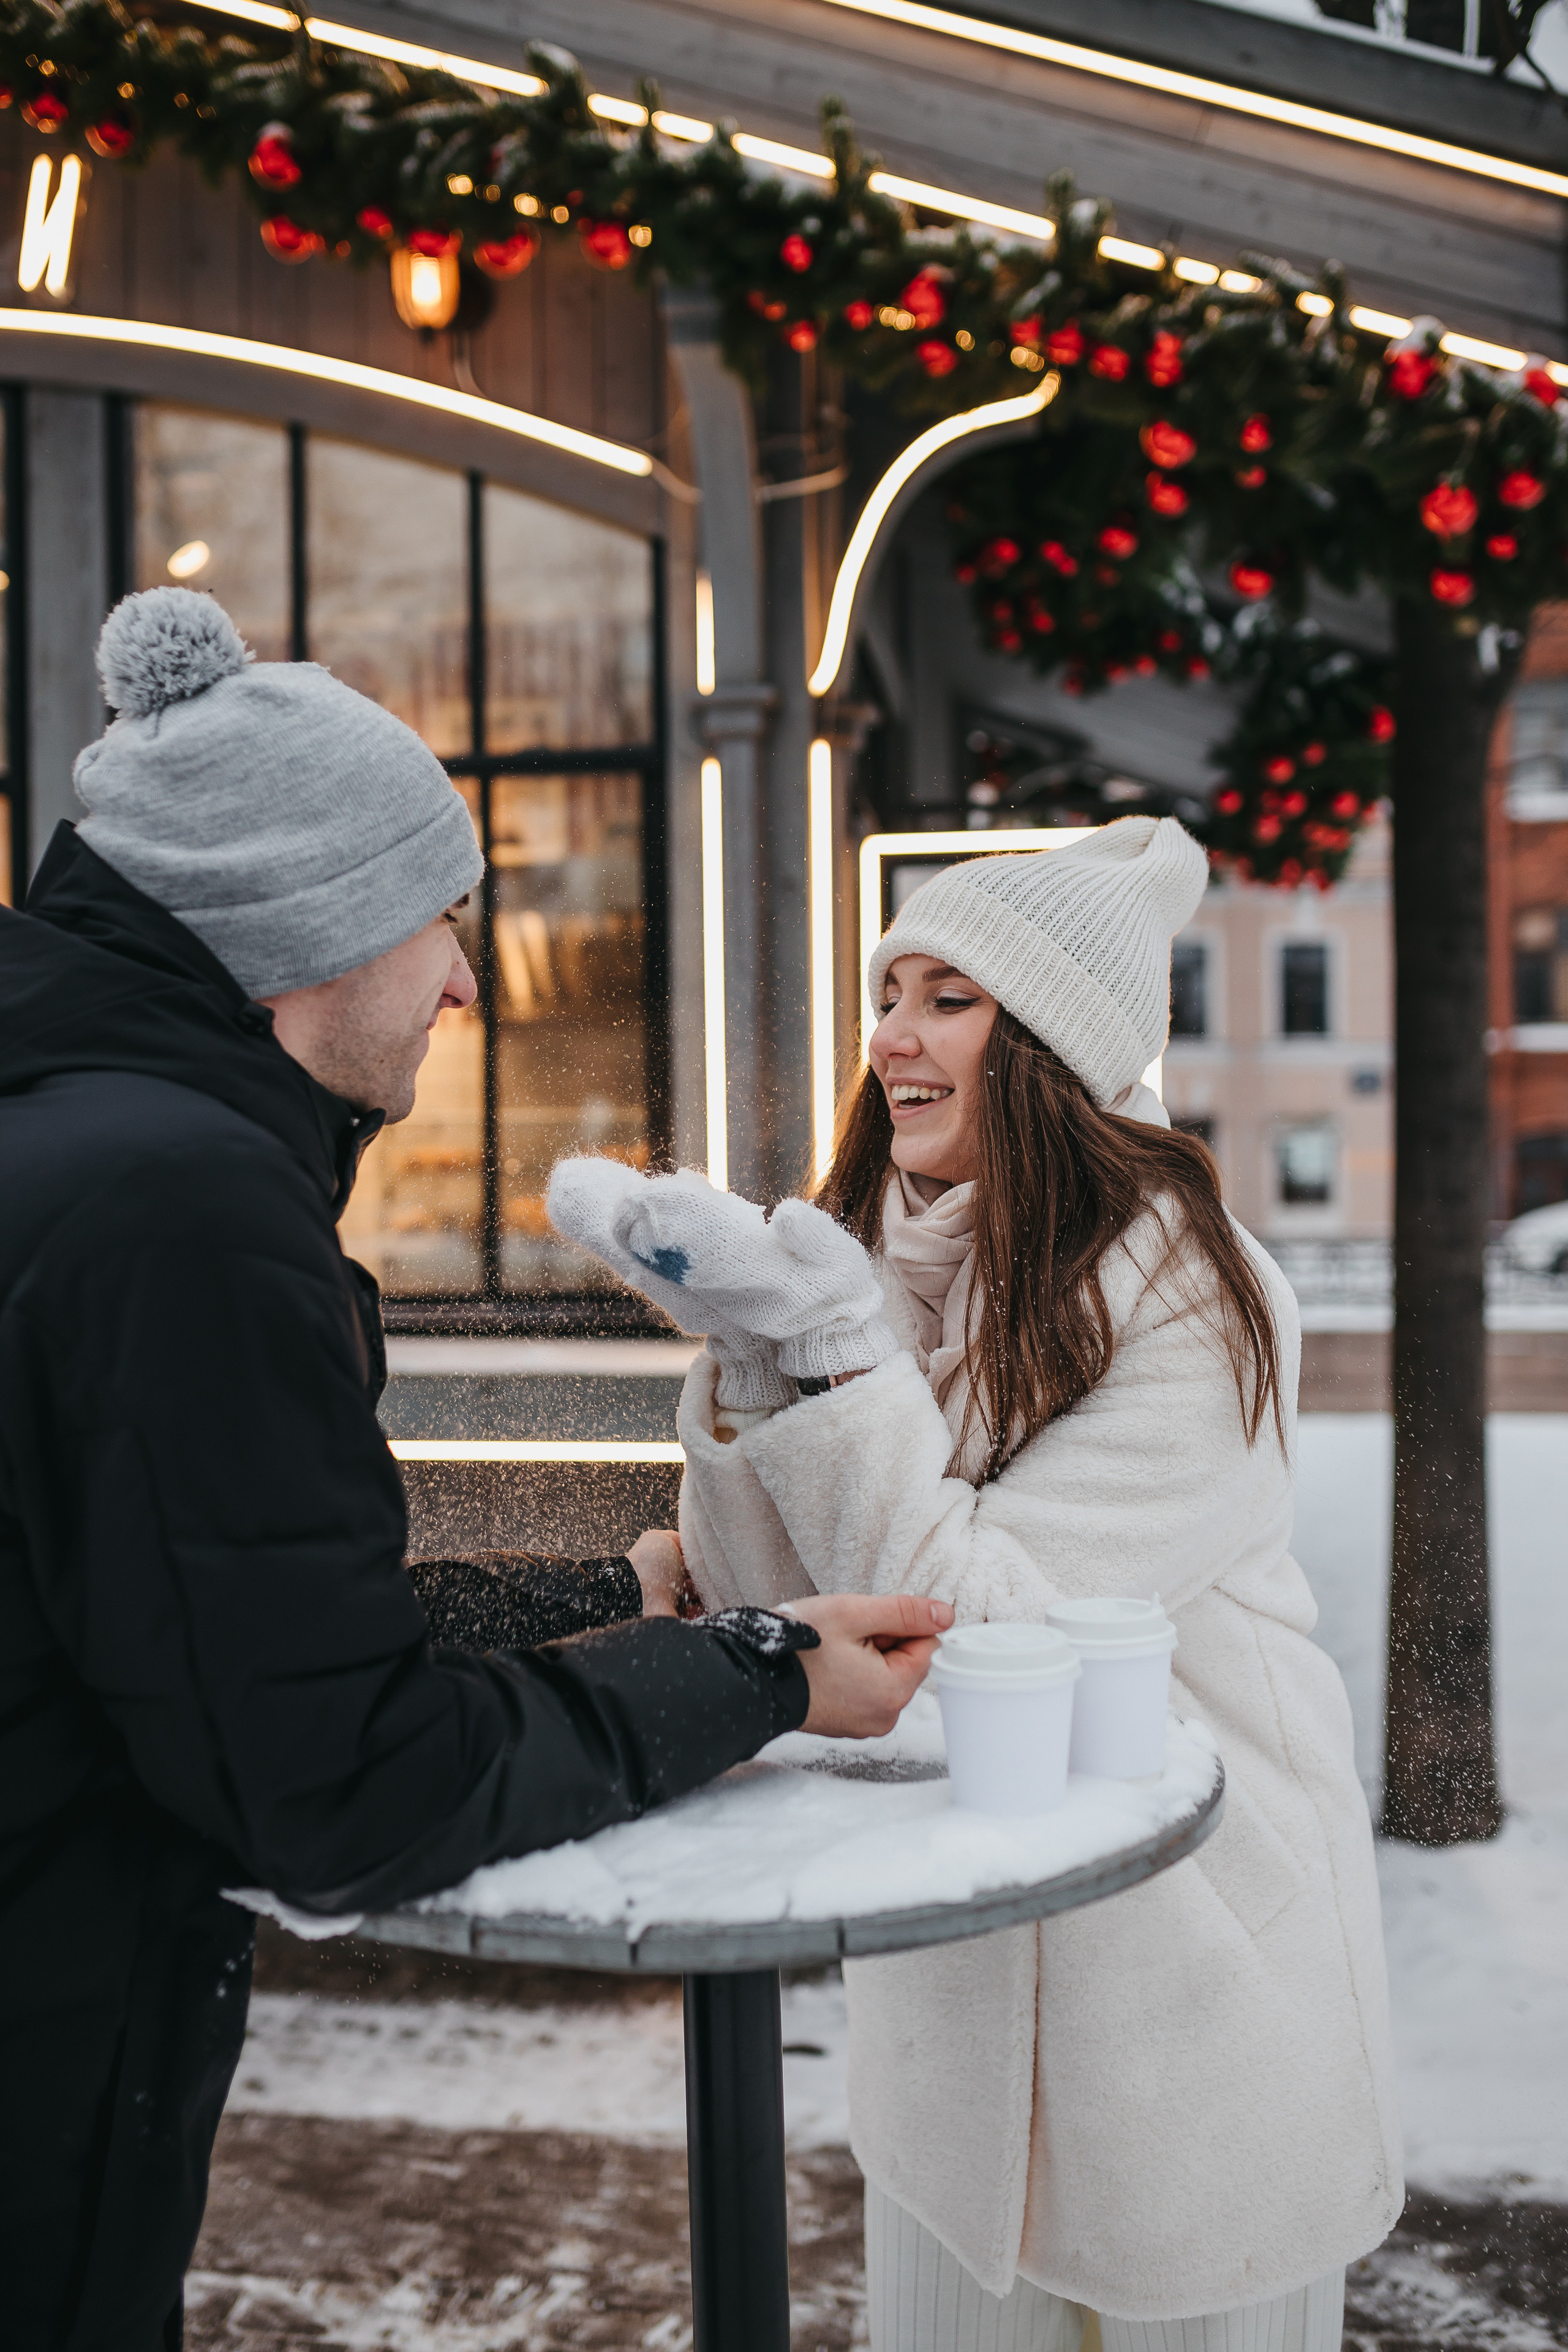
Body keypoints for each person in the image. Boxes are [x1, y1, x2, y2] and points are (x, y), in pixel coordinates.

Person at [0, 586, 952, 2352]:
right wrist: (755, 1675)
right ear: (304, 930)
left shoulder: (76, 1138)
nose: (460, 974)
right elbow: (340, 1788)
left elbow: (204, 1639)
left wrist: (615, 1601)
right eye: (439, 919)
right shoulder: (180, 1215)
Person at [549, 816, 1402, 2352]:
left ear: (1052, 1044)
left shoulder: (1193, 1296)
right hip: (957, 2011)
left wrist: (828, 1365)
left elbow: (984, 1633)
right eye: (890, 994)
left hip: (1188, 1983)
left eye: (948, 998)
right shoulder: (873, 1260)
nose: (889, 1037)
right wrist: (753, 1364)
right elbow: (777, 1610)